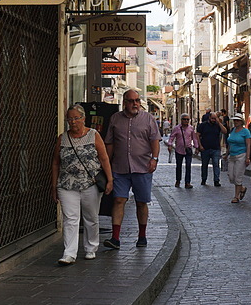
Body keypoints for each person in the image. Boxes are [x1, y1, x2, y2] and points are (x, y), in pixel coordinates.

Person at [51, 105, 113, 265]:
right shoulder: (63, 138)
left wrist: (110, 179)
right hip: (66, 184)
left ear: (83, 118)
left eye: (76, 118)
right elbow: (56, 163)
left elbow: (104, 158)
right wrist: (54, 185)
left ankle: (91, 248)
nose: (72, 122)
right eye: (69, 119)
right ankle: (69, 253)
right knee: (70, 219)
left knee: (91, 217)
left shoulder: (93, 135)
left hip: (90, 183)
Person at [103, 89, 160, 249]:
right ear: (124, 102)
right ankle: (115, 238)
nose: (135, 104)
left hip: (142, 167)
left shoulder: (148, 119)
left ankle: (142, 236)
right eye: (131, 101)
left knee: (141, 202)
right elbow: (110, 143)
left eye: (137, 100)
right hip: (120, 167)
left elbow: (155, 140)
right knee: (119, 199)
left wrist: (154, 159)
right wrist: (106, 164)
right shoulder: (115, 119)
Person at [225, 113, 251, 203]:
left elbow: (248, 145)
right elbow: (230, 143)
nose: (235, 122)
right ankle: (242, 188)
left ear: (241, 122)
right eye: (234, 120)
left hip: (241, 155)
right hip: (232, 155)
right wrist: (226, 154)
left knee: (238, 177)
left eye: (237, 120)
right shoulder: (233, 130)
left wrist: (248, 157)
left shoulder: (245, 132)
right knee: (231, 176)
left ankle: (236, 196)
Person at [197, 111, 226, 186]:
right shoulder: (203, 125)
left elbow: (225, 131)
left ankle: (216, 180)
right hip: (205, 148)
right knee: (204, 165)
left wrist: (219, 123)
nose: (213, 120)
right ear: (209, 118)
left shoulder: (217, 125)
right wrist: (200, 146)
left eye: (215, 118)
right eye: (212, 118)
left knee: (216, 164)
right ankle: (204, 179)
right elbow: (197, 135)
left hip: (215, 148)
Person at [169, 113, 199, 188]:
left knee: (188, 166)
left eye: (187, 119)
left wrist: (196, 147)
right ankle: (178, 180)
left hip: (188, 150)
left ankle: (187, 182)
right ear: (181, 120)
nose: (186, 121)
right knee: (178, 166)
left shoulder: (191, 128)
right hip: (179, 150)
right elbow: (172, 137)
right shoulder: (176, 128)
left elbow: (194, 138)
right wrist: (170, 144)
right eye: (184, 119)